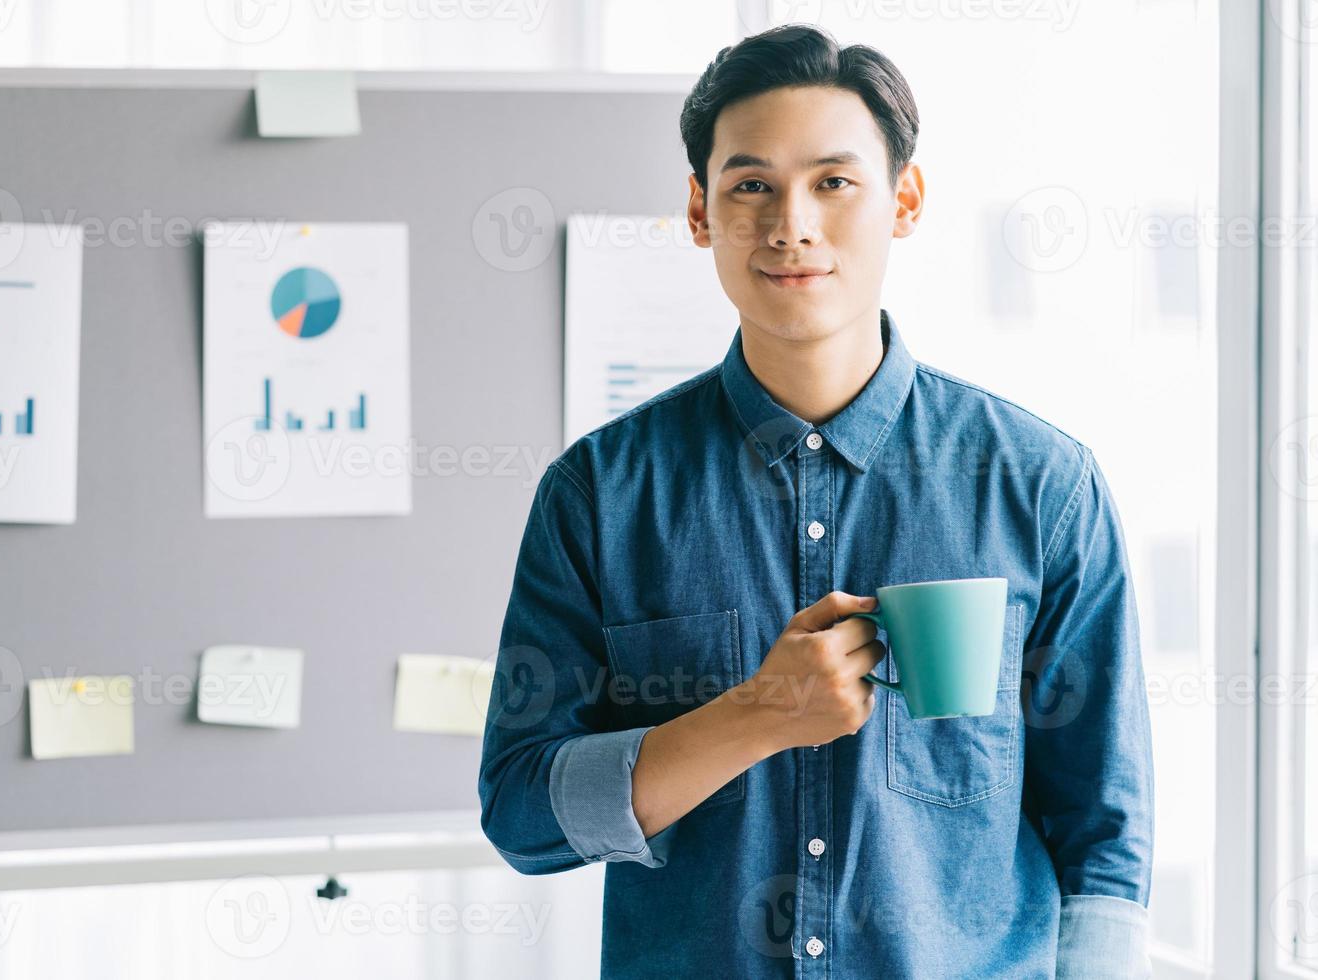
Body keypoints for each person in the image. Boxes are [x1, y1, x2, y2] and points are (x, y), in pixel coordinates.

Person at [479, 23, 1153, 979]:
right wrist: (755, 715)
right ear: (700, 210)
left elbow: (1105, 837)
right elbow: (520, 814)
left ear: (904, 200)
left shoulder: (1042, 484)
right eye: (750, 184)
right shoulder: (598, 495)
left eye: (834, 181)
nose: (791, 223)